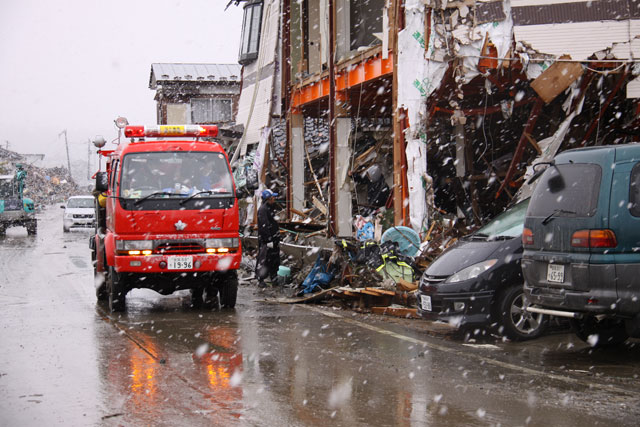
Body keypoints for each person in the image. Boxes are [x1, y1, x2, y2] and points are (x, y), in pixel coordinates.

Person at [256, 189, 280, 287]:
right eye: (272, 197)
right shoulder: (263, 210)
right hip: (267, 240)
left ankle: (274, 277)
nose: (274, 198)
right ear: (268, 198)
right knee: (264, 259)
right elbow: (263, 226)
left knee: (274, 259)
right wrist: (268, 239)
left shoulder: (270, 208)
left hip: (274, 239)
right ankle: (260, 279)